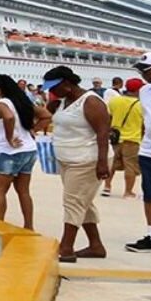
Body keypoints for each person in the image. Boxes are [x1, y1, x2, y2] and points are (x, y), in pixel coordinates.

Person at [43, 65, 111, 262]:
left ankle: (66, 247)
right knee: (82, 201)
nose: (51, 91)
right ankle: (96, 245)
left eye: (54, 87)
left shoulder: (91, 102)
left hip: (87, 160)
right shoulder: (63, 101)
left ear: (67, 83)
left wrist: (102, 162)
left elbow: (103, 132)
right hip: (67, 159)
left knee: (73, 202)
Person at [0, 74, 51, 230]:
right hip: (28, 150)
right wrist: (33, 130)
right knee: (23, 191)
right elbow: (47, 116)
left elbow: (8, 117)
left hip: (8, 152)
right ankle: (29, 226)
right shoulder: (21, 102)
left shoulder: (1, 103)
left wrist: (10, 138)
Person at [125, 53, 151, 253]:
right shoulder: (145, 91)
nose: (143, 75)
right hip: (149, 151)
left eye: (146, 70)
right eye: (141, 71)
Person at [104, 78, 144, 198]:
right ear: (138, 90)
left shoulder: (114, 101)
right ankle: (128, 192)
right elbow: (144, 124)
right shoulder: (141, 105)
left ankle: (107, 187)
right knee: (130, 167)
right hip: (132, 140)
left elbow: (108, 117)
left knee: (111, 164)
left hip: (115, 138)